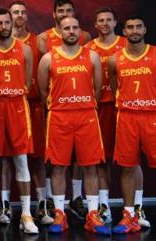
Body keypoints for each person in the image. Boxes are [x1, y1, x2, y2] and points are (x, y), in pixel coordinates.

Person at [108, 16, 156, 238]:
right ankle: (128, 215)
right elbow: (116, 90)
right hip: (127, 118)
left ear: (145, 29)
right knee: (127, 168)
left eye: (138, 26)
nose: (134, 30)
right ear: (124, 30)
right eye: (130, 27)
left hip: (153, 117)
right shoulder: (115, 60)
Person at [37, 16, 109, 235]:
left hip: (86, 116)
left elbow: (97, 89)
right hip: (59, 116)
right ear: (59, 31)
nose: (70, 31)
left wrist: (84, 104)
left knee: (90, 166)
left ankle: (93, 214)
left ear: (80, 31)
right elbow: (42, 92)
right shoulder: (48, 58)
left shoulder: (93, 56)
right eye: (66, 28)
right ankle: (59, 212)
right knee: (58, 166)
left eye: (74, 27)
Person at [0, 8, 37, 234]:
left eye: (7, 22)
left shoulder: (25, 49)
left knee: (21, 160)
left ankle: (26, 214)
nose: (4, 26)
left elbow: (29, 83)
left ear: (12, 24)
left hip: (17, 106)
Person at [37, 0, 91, 221]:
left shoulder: (85, 37)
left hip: (83, 108)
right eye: (61, 11)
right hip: (57, 106)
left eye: (69, 11)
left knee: (81, 158)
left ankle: (77, 197)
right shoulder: (43, 39)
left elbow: (92, 82)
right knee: (55, 159)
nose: (64, 14)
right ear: (54, 15)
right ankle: (52, 200)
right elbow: (44, 83)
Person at [8, 1, 52, 225]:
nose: (19, 15)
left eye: (23, 12)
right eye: (15, 12)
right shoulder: (1, 44)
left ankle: (42, 205)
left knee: (37, 159)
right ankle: (5, 207)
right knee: (6, 158)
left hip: (33, 106)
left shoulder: (38, 42)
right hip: (8, 107)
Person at [84, 7, 129, 224]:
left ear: (115, 22)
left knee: (130, 161)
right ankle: (104, 206)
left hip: (123, 109)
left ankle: (134, 209)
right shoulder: (87, 48)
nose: (104, 23)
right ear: (95, 25)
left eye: (108, 20)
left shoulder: (126, 44)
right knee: (100, 160)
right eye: (100, 20)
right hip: (97, 109)